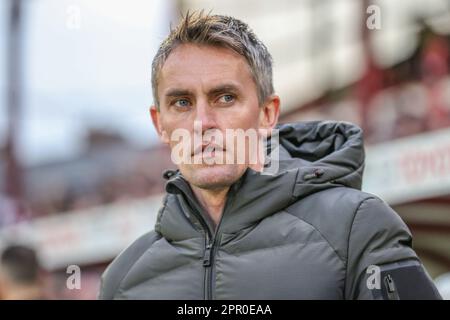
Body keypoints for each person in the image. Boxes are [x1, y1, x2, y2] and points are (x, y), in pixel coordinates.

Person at [99, 11, 442, 300]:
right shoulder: (123, 279)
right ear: (160, 125)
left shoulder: (357, 228)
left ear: (267, 114)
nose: (203, 123)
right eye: (182, 103)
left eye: (225, 98)